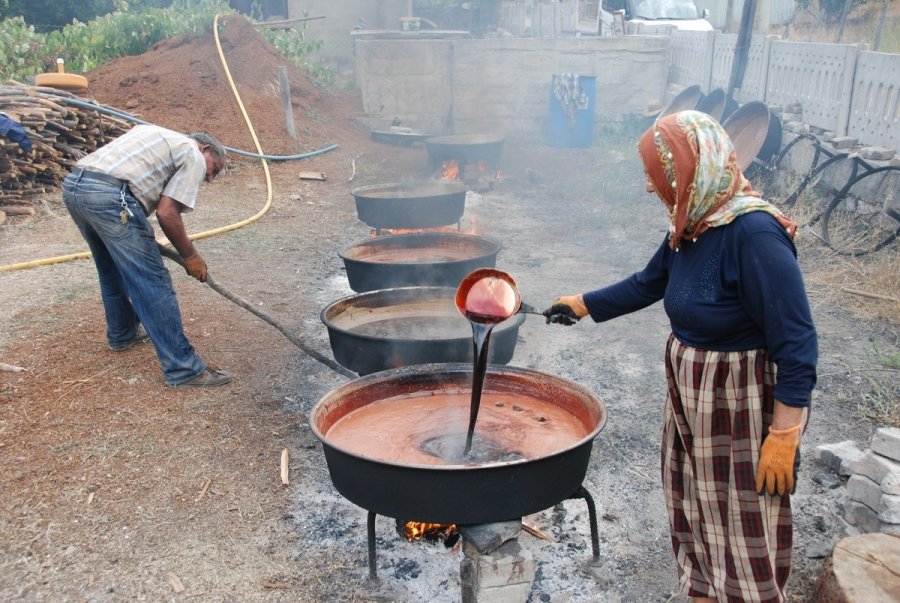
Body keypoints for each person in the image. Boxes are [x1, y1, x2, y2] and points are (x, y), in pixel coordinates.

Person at [544, 110, 817, 603]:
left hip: (742, 400)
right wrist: (583, 304)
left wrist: (784, 432)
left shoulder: (753, 235)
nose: (651, 188)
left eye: (656, 175)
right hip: (692, 394)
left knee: (741, 512)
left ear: (686, 169)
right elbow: (650, 283)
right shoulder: (694, 220)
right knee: (692, 498)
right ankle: (705, 590)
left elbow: (797, 342)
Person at [62, 124, 231, 389]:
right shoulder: (191, 152)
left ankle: (122, 334)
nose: (210, 178)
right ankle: (184, 369)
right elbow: (167, 212)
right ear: (205, 149)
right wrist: (190, 255)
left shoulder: (157, 134)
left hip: (76, 187)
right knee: (153, 281)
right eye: (215, 169)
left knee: (111, 270)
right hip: (110, 197)